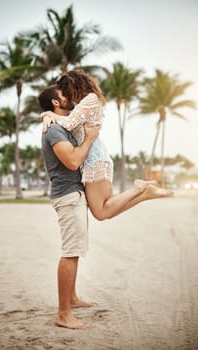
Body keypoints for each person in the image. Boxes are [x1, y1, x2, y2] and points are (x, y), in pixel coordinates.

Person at [41, 70, 173, 221]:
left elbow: (69, 124)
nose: (67, 94)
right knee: (103, 210)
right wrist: (48, 115)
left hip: (94, 158)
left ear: (73, 86)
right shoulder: (83, 103)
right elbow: (67, 120)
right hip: (94, 156)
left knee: (101, 212)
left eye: (66, 90)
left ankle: (139, 189)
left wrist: (49, 114)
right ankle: (144, 193)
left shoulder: (90, 100)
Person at [38, 85, 100, 330]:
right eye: (64, 94)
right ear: (56, 102)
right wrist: (91, 139)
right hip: (67, 196)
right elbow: (73, 161)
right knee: (70, 252)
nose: (70, 97)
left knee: (75, 250)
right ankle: (63, 313)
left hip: (73, 194)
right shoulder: (53, 131)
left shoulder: (59, 124)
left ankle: (72, 299)